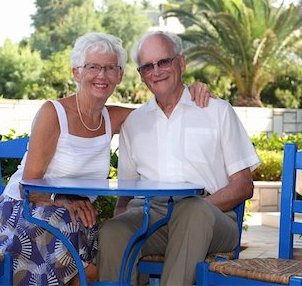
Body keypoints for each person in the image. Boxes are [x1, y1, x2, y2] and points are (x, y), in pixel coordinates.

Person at [0, 32, 212, 286]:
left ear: (120, 76)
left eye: (110, 68)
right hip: (26, 213)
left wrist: (190, 91)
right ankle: (86, 273)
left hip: (78, 219)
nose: (101, 75)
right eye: (93, 67)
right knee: (82, 251)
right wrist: (65, 200)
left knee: (106, 239)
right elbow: (29, 184)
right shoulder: (53, 112)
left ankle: (87, 273)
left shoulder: (114, 117)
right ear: (76, 72)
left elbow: (163, 105)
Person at [97, 30, 261, 285]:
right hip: (153, 215)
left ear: (181, 63)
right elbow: (127, 194)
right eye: (148, 66)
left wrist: (195, 209)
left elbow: (243, 185)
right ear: (141, 75)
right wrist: (121, 216)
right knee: (113, 232)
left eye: (164, 61)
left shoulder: (217, 111)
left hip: (212, 214)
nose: (157, 71)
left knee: (191, 211)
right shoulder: (135, 123)